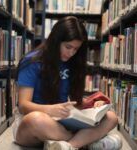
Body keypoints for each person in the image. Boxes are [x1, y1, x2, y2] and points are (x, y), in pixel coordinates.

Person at [12, 16, 122, 150]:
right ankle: (86, 142)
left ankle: (68, 146)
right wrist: (50, 110)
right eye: (68, 47)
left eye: (76, 49)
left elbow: (73, 103)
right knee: (36, 119)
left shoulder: (73, 63)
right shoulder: (32, 62)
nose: (71, 53)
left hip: (61, 122)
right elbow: (23, 106)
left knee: (111, 117)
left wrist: (93, 106)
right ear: (55, 41)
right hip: (34, 124)